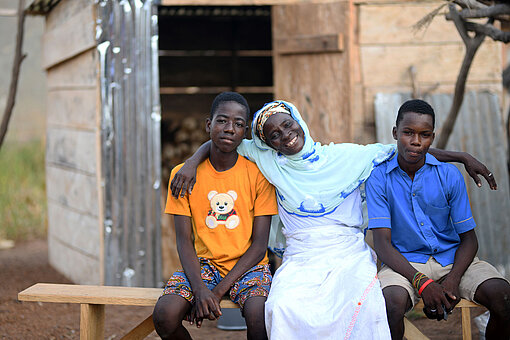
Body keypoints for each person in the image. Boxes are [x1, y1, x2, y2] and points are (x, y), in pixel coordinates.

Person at [171, 100, 496, 339]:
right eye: (274, 135)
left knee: (364, 304)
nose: (285, 135)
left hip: (348, 254)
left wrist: (462, 157)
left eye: (287, 124)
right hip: (301, 258)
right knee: (283, 307)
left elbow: (407, 149)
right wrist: (191, 162)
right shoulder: (270, 162)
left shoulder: (346, 156)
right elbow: (223, 139)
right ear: (267, 144)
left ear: (299, 120)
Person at [365, 99, 510, 340]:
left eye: (424, 135)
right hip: (404, 264)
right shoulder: (379, 178)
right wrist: (422, 282)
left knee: (503, 296)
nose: (415, 142)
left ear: (432, 137)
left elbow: (469, 240)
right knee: (388, 306)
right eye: (408, 133)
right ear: (395, 133)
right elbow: (382, 245)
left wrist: (453, 280)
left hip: (452, 261)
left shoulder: (449, 175)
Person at [153, 92, 278, 340]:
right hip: (204, 266)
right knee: (164, 316)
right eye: (222, 121)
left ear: (245, 133)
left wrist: (216, 292)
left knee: (259, 317)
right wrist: (199, 288)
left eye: (239, 124)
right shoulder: (183, 175)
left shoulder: (258, 175)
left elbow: (259, 245)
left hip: (249, 266)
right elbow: (183, 240)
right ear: (209, 124)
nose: (230, 129)